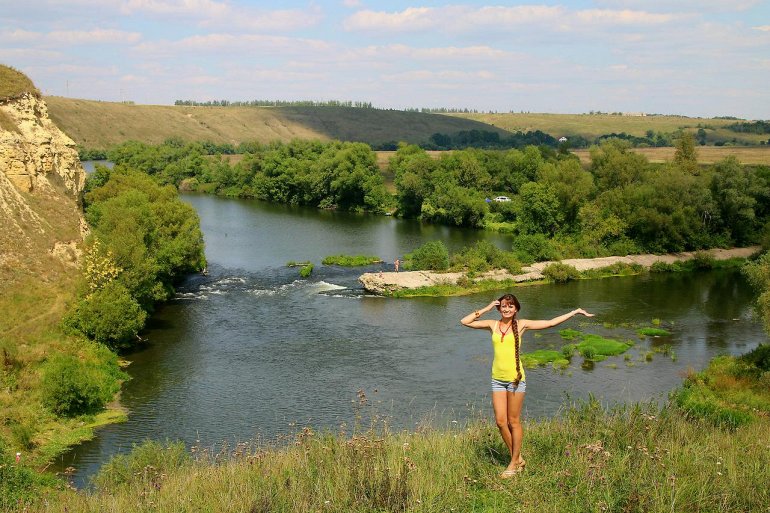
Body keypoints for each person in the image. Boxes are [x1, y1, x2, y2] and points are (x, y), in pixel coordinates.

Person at [461, 293, 594, 478]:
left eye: (511, 306)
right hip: (497, 379)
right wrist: (487, 307)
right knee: (500, 422)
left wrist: (574, 312)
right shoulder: (492, 324)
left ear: (516, 309)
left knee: (513, 421)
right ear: (499, 308)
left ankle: (513, 463)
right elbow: (464, 321)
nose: (507, 309)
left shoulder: (521, 325)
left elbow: (550, 323)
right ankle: (518, 459)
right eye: (504, 306)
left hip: (515, 379)